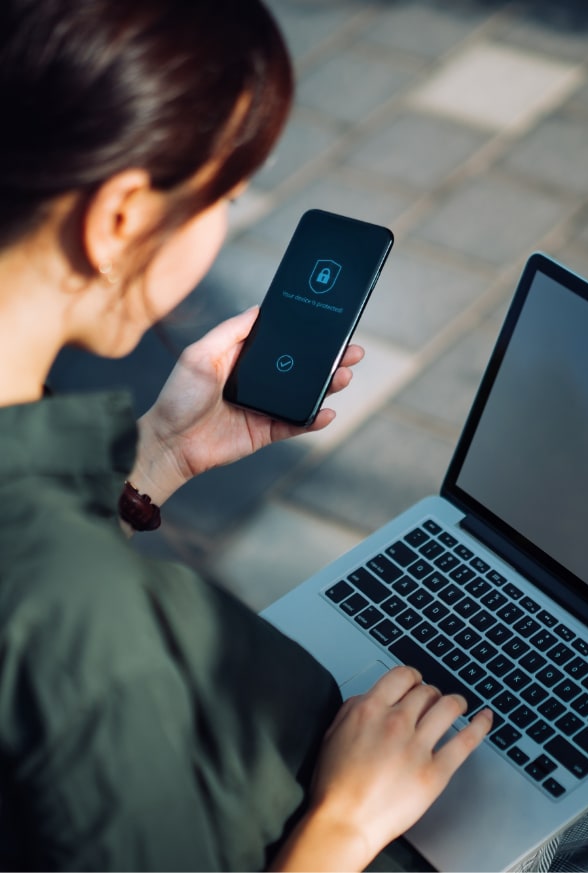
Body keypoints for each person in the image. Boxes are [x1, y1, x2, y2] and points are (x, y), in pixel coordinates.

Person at [0, 0, 493, 869]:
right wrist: (347, 820)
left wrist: (161, 456)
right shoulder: (84, 624)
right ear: (117, 218)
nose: (227, 216)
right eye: (225, 193)